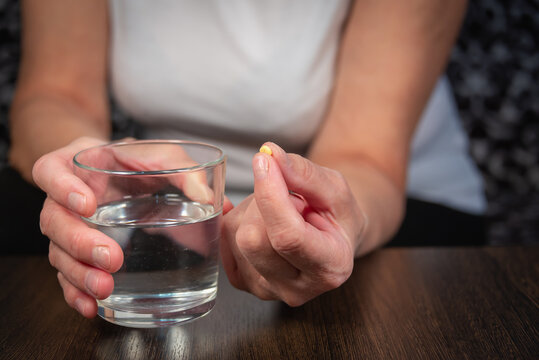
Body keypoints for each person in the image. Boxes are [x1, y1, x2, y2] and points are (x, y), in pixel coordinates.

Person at [9, 0, 484, 317]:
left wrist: (324, 219)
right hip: (164, 199)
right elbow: (55, 93)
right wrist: (89, 164)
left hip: (380, 202)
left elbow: (365, 155)